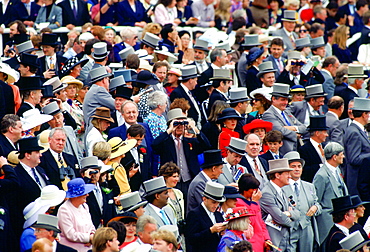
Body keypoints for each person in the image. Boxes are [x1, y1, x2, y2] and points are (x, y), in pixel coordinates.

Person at [152, 108, 210, 198]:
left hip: (189, 180)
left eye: (182, 124)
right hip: (172, 182)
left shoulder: (189, 142)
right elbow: (154, 145)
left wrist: (195, 129)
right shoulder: (166, 142)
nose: (179, 127)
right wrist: (170, 130)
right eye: (176, 124)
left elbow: (206, 145)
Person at [282, 151, 322, 251]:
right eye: (293, 166)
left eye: (299, 166)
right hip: (289, 229)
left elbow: (318, 204)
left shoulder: (310, 186)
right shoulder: (282, 187)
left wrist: (316, 207)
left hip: (306, 228)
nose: (297, 169)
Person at [313, 142, 349, 247]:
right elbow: (317, 200)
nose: (343, 156)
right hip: (327, 224)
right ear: (334, 157)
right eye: (341, 154)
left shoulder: (336, 170)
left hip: (339, 220)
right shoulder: (321, 175)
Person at [259, 158, 300, 251]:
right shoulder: (267, 193)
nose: (290, 176)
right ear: (277, 175)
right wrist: (290, 217)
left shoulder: (282, 190)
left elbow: (298, 213)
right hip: (275, 242)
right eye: (287, 173)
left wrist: (289, 214)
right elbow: (282, 219)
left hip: (287, 242)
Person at [262, 84, 307, 155]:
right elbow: (280, 131)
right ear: (273, 99)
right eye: (282, 100)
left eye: (286, 100)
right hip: (283, 151)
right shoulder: (268, 114)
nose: (285, 103)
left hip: (295, 149)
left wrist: (292, 128)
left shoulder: (286, 112)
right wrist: (295, 134)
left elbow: (304, 128)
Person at [57, 178, 96, 252]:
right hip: (72, 250)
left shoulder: (85, 206)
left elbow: (91, 226)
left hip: (88, 248)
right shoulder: (64, 209)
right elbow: (70, 234)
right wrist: (89, 238)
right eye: (84, 193)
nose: (87, 195)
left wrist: (93, 237)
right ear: (76, 196)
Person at [186, 182, 227, 252]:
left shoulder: (218, 214)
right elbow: (191, 239)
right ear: (204, 199)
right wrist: (210, 230)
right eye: (213, 202)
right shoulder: (194, 214)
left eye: (218, 203)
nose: (216, 205)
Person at [236, 174, 271, 251]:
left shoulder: (255, 202)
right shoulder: (238, 202)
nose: (257, 192)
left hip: (261, 242)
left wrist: (266, 239)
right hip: (250, 244)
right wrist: (254, 203)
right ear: (245, 189)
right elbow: (250, 222)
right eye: (254, 189)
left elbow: (261, 222)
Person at [343, 98, 370, 195]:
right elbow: (354, 159)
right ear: (364, 114)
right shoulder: (354, 132)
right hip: (358, 184)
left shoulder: (359, 130)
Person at [298, 116, 328, 182]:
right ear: (317, 133)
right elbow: (305, 170)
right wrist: (321, 166)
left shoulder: (325, 146)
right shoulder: (304, 149)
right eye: (325, 132)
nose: (327, 135)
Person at [158, 162, 185, 230]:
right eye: (174, 177)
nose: (177, 179)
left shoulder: (179, 193)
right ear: (165, 177)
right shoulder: (161, 195)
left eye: (177, 176)